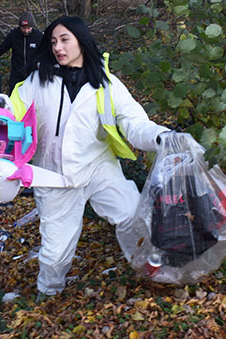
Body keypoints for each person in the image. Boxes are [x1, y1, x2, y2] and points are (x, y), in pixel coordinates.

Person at [9, 16, 171, 297]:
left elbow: (134, 123)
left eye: (64, 40)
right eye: (53, 42)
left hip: (99, 168)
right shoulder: (37, 81)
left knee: (133, 213)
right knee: (56, 252)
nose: (58, 47)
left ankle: (151, 267)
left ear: (81, 41)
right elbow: (10, 113)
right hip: (53, 176)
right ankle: (48, 295)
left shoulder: (106, 83)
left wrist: (161, 137)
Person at [0, 11, 43, 93]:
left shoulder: (38, 36)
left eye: (28, 28)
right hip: (16, 73)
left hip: (32, 74)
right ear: (19, 26)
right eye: (24, 28)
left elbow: (44, 53)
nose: (26, 31)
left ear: (32, 27)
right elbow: (1, 49)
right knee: (13, 97)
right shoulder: (13, 35)